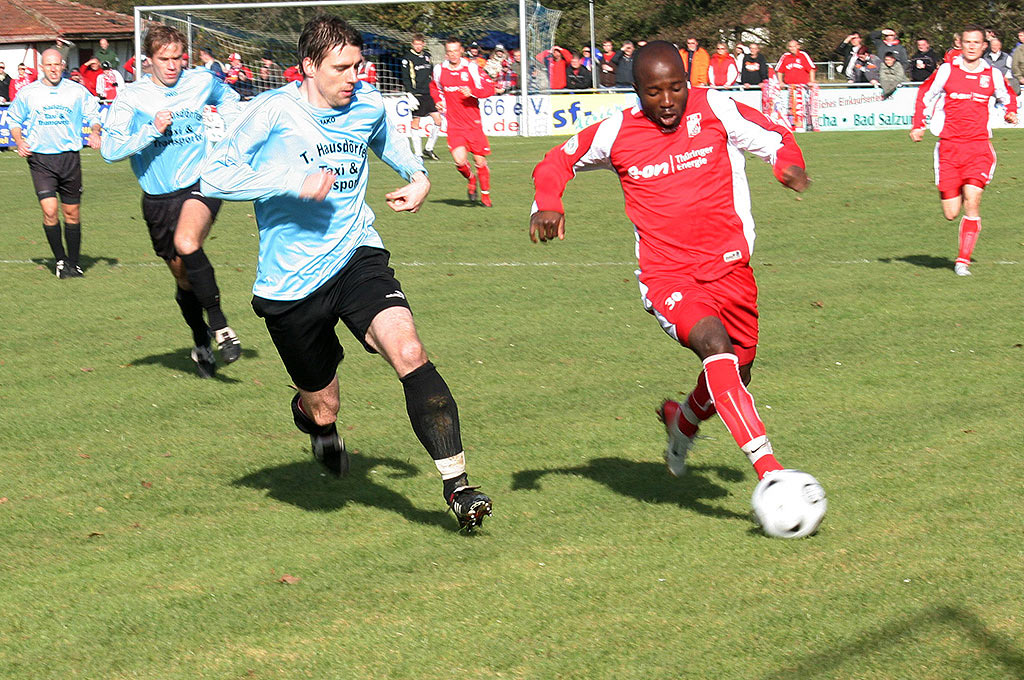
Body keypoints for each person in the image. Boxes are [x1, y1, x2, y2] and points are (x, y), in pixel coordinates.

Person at [199, 14, 492, 532]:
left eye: (358, 65)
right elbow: (215, 174)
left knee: (407, 349)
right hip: (289, 283)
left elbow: (384, 137)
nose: (354, 76)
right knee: (324, 403)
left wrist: (418, 176)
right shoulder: (272, 112)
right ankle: (318, 424)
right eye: (341, 67)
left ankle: (458, 485)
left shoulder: (368, 105)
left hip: (357, 255)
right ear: (308, 67)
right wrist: (290, 178)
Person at [530, 41, 809, 487]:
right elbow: (556, 162)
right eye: (653, 92)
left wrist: (786, 164)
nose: (666, 102)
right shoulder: (617, 131)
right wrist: (548, 203)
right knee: (715, 347)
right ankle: (771, 472)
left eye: (676, 88)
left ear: (688, 81)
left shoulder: (716, 108)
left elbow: (775, 136)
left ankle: (682, 423)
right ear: (636, 90)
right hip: (668, 276)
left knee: (739, 369)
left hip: (732, 270)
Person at [101, 24, 245, 375]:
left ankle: (221, 326)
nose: (172, 66)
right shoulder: (132, 98)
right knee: (183, 277)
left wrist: (228, 125)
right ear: (147, 61)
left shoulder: (200, 81)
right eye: (164, 59)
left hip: (201, 182)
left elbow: (228, 99)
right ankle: (201, 340)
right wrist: (151, 130)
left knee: (188, 241)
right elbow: (109, 149)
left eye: (178, 59)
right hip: (157, 200)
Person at [910, 25, 1019, 277]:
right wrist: (918, 125)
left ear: (984, 45)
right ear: (961, 44)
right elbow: (925, 93)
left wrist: (1011, 112)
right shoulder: (947, 70)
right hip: (948, 148)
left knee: (973, 202)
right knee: (951, 213)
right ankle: (955, 188)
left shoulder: (992, 74)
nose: (971, 46)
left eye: (976, 42)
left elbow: (1009, 96)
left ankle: (962, 261)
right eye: (967, 42)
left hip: (978, 147)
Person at [7, 49, 101, 278]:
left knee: (72, 213)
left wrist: (96, 132)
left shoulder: (76, 91)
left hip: (69, 158)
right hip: (40, 159)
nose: (53, 69)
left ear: (63, 65)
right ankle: (60, 261)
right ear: (42, 67)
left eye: (57, 64)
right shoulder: (29, 93)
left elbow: (94, 114)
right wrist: (19, 141)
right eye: (48, 65)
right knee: (50, 211)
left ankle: (74, 263)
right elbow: (13, 119)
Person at [430, 38, 496, 207]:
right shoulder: (439, 69)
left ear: (461, 51)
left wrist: (472, 91)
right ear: (446, 53)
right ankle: (471, 179)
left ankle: (486, 196)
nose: (453, 54)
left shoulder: (472, 68)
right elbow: (434, 87)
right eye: (449, 51)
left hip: (473, 123)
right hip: (454, 124)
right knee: (459, 161)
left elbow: (490, 89)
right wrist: (438, 100)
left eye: (455, 51)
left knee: (480, 161)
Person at [401, 33, 442, 161]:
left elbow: (431, 74)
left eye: (420, 44)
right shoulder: (407, 58)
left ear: (423, 44)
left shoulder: (427, 56)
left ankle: (428, 148)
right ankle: (418, 154)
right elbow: (406, 78)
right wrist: (409, 93)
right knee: (416, 122)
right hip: (416, 94)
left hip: (428, 93)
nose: (418, 46)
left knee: (438, 120)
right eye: (416, 44)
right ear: (412, 44)